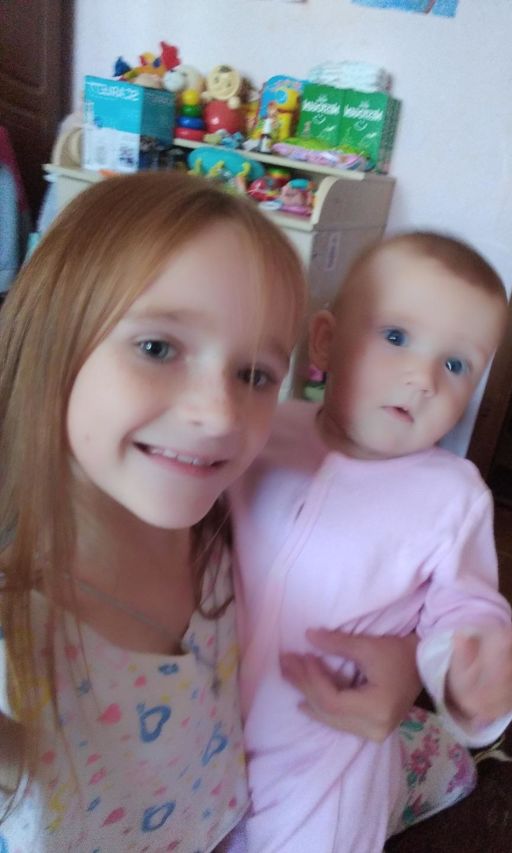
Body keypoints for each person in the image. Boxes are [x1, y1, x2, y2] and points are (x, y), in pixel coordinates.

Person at [0, 171, 310, 852]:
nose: (219, 414)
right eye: (157, 348)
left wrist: (399, 666)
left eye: (254, 375)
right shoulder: (14, 624)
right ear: (54, 340)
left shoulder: (237, 527)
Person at [231, 232, 512, 852]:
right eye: (396, 336)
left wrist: (475, 678)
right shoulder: (265, 432)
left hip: (324, 760)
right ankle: (428, 766)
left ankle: (427, 768)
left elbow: (467, 609)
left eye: (455, 365)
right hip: (208, 729)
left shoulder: (452, 496)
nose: (423, 379)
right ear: (325, 341)